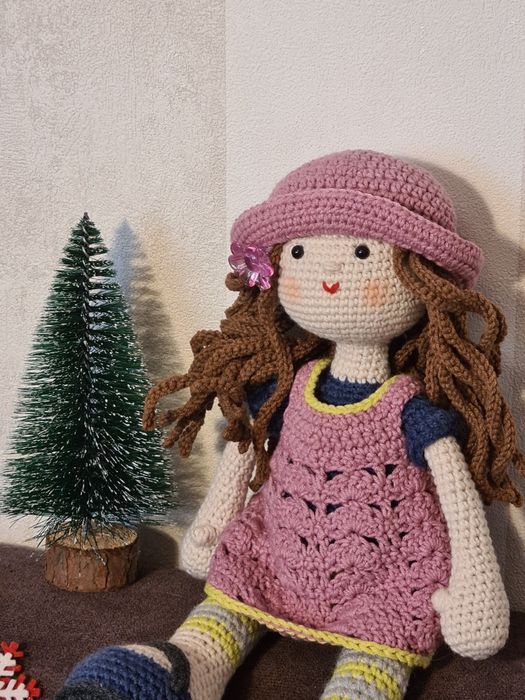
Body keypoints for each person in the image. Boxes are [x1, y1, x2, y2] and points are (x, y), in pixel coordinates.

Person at [58, 150, 524, 700]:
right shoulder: (288, 387)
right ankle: (181, 667)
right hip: (276, 553)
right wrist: (214, 521)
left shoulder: (410, 409)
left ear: (423, 281)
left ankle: (361, 685)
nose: (328, 277)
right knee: (222, 613)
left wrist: (476, 585)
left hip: (383, 579)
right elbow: (244, 447)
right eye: (299, 252)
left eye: (361, 252)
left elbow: (459, 499)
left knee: (374, 665)